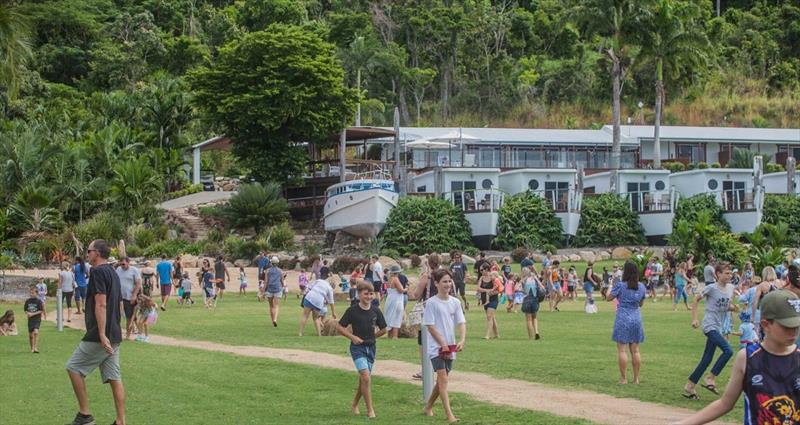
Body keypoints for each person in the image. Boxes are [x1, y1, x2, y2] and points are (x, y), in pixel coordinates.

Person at [674, 290, 799, 425]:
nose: (794, 332)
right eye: (787, 326)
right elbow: (725, 404)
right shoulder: (747, 358)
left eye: (797, 326)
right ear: (765, 324)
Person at [65, 239, 125, 425]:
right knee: (114, 377)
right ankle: (121, 421)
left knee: (74, 368)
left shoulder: (98, 271)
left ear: (97, 253)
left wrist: (100, 334)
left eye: (89, 251)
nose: (87, 255)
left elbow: (101, 303)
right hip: (114, 333)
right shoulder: (113, 272)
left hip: (101, 335)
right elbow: (119, 303)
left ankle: (85, 415)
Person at [682, 261, 738, 400]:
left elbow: (726, 306)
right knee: (728, 350)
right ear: (718, 274)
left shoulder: (731, 288)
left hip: (718, 326)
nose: (729, 275)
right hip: (709, 326)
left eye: (730, 273)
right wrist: (694, 319)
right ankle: (710, 378)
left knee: (706, 359)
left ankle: (690, 386)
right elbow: (695, 300)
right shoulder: (711, 288)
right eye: (726, 273)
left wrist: (734, 308)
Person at [336, 282, 388, 419]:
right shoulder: (352, 311)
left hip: (371, 348)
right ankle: (370, 410)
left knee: (364, 380)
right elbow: (339, 327)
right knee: (365, 377)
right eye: (366, 293)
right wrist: (352, 337)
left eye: (371, 294)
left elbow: (384, 329)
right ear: (359, 294)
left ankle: (354, 404)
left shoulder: (376, 310)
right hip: (357, 348)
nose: (369, 296)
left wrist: (373, 336)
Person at [422, 269, 466, 424]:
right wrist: (442, 344)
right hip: (436, 348)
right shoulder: (431, 303)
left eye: (449, 281)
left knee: (443, 380)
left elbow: (461, 323)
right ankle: (449, 415)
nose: (447, 284)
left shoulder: (455, 302)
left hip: (451, 346)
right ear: (436, 283)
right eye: (444, 281)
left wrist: (461, 340)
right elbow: (431, 326)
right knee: (443, 378)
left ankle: (428, 407)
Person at [608, 260, 647, 384]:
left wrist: (610, 286)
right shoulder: (641, 286)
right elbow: (640, 304)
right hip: (636, 318)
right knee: (635, 351)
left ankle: (624, 378)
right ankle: (636, 379)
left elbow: (609, 297)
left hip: (623, 317)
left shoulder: (620, 285)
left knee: (622, 350)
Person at [411, 254, 441, 380]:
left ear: (428, 263)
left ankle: (425, 370)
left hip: (428, 310)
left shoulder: (427, 277)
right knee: (439, 339)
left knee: (423, 341)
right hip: (441, 310)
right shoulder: (444, 276)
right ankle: (440, 368)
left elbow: (417, 295)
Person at [115, 257, 141, 341]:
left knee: (129, 317)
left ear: (128, 263)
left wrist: (134, 295)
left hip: (129, 297)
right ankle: (117, 333)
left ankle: (128, 335)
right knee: (117, 316)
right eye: (121, 264)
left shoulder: (134, 270)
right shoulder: (118, 269)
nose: (122, 266)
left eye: (123, 264)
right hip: (119, 297)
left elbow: (138, 284)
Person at [477, 266, 503, 339]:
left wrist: (492, 292)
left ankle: (487, 335)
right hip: (485, 300)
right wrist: (487, 291)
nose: (481, 271)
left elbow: (500, 289)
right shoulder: (481, 278)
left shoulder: (493, 278)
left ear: (487, 270)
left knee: (489, 316)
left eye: (482, 270)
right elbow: (478, 288)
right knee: (491, 317)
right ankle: (497, 334)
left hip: (493, 300)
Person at [383, 265, 406, 339]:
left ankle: (389, 335)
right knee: (396, 317)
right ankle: (395, 336)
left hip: (390, 299)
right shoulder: (396, 279)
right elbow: (400, 290)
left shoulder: (389, 279)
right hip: (397, 299)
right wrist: (406, 289)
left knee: (390, 317)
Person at [520, 267, 542, 340]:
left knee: (528, 319)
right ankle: (536, 331)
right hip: (535, 299)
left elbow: (518, 288)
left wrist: (523, 291)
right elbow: (541, 286)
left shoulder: (523, 280)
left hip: (527, 299)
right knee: (534, 317)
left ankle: (530, 337)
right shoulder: (534, 278)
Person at [264, 257, 285, 326]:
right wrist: (283, 286)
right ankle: (275, 319)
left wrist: (263, 290)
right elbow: (282, 281)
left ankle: (272, 320)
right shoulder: (280, 271)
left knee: (271, 306)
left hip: (270, 289)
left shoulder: (267, 271)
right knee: (276, 305)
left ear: (271, 263)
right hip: (277, 289)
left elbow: (266, 281)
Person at [24, 286, 44, 353]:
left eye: (32, 293)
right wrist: (28, 313)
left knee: (36, 332)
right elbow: (25, 310)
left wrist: (33, 314)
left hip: (37, 319)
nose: (31, 294)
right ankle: (32, 348)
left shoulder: (39, 301)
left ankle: (35, 347)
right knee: (30, 335)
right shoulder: (27, 301)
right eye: (30, 293)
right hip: (30, 320)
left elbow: (41, 310)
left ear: (36, 293)